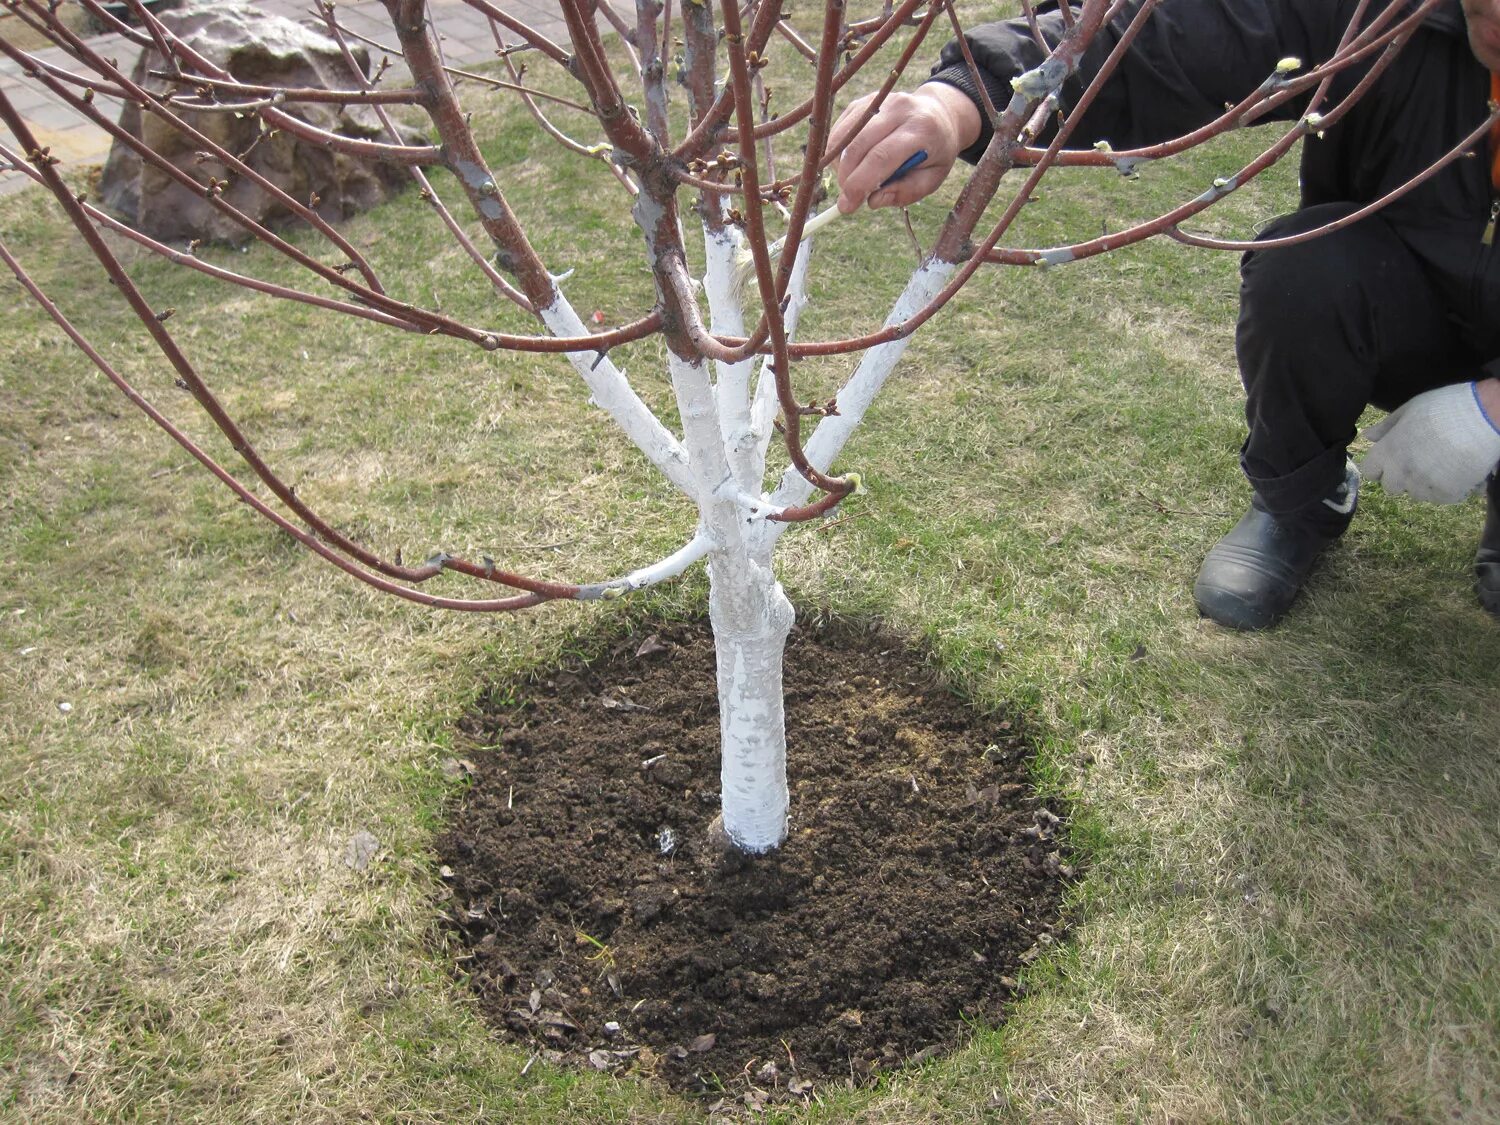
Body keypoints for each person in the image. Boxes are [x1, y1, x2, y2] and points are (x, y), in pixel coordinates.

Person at [830, 0, 1500, 630]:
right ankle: (1301, 500)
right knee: (1302, 271)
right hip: (1400, 292)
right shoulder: (1386, 12)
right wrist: (964, 102)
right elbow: (1173, 34)